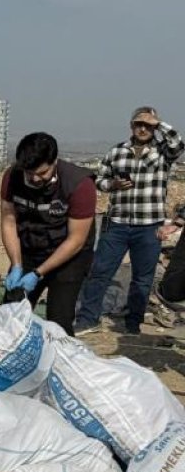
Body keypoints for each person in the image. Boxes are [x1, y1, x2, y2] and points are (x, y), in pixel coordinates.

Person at [74, 107, 184, 336]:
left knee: (142, 279)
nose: (143, 128)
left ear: (155, 128)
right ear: (131, 125)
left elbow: (177, 142)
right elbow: (100, 179)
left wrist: (159, 122)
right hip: (117, 224)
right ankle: (87, 319)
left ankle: (132, 325)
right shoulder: (117, 151)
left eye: (148, 125)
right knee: (100, 271)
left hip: (149, 226)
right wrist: (112, 185)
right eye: (138, 124)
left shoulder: (163, 153)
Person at [0, 132, 97, 335]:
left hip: (69, 255)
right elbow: (9, 222)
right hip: (31, 245)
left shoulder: (79, 184)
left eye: (42, 173)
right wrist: (17, 265)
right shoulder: (13, 176)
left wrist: (38, 273)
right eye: (29, 173)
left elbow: (76, 240)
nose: (35, 179)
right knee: (11, 310)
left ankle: (61, 361)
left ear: (54, 162)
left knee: (58, 320)